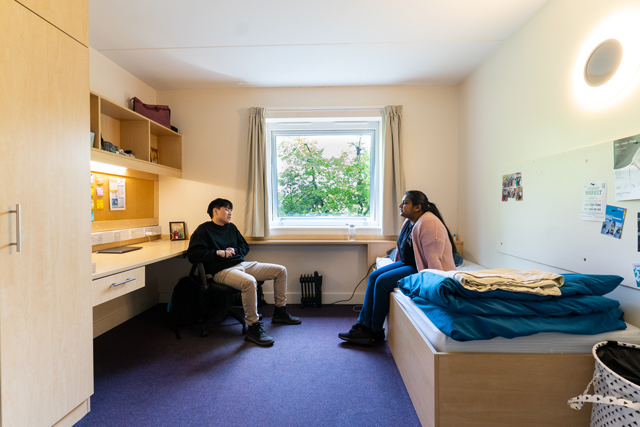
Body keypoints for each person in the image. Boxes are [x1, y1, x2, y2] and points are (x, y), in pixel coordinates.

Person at [339, 190, 457, 346]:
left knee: (382, 282)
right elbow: (402, 250)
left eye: (405, 202)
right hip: (410, 263)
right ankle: (364, 325)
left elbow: (433, 261)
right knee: (374, 276)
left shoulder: (430, 223)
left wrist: (434, 289)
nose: (401, 205)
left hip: (421, 268)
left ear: (417, 207)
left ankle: (374, 331)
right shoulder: (410, 222)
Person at [187, 198, 301, 346]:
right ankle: (253, 328)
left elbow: (244, 247)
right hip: (221, 271)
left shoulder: (231, 228)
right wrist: (218, 253)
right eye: (227, 209)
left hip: (241, 264)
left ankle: (280, 312)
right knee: (249, 282)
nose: (230, 213)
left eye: (231, 210)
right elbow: (193, 255)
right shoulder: (203, 230)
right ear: (215, 211)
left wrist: (235, 250)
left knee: (280, 270)